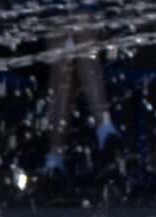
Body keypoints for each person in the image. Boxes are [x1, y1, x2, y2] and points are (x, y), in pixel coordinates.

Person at [40, 2, 120, 175]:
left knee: (80, 25)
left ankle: (55, 160)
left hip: (94, 40)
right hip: (42, 44)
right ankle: (104, 128)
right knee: (63, 35)